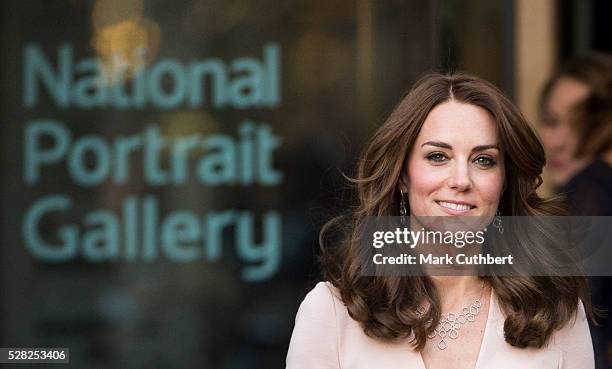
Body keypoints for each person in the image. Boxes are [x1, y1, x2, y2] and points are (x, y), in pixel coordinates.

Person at [286, 72, 594, 369]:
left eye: (483, 160)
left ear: (504, 182)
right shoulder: (331, 313)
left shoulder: (554, 313)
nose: (461, 180)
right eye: (438, 157)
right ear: (402, 176)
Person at [539, 53, 612, 369]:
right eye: (552, 121)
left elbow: (577, 318)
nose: (559, 142)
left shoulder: (591, 191)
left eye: (582, 125)